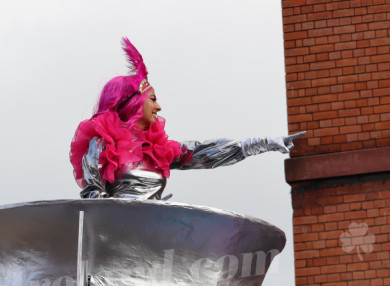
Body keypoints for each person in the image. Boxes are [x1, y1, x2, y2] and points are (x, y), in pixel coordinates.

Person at [70, 38, 303, 200]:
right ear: (134, 102)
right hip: (116, 237)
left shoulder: (158, 150)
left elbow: (203, 153)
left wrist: (259, 144)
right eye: (153, 99)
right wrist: (131, 213)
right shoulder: (102, 144)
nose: (158, 107)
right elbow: (93, 196)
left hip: (148, 233)